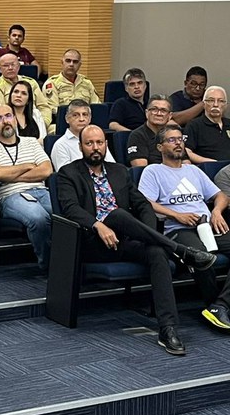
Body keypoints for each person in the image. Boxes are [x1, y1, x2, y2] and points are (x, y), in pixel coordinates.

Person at [58, 126, 216, 355]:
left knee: (156, 253)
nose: (95, 148)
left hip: (125, 239)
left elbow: (142, 204)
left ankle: (168, 328)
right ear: (81, 147)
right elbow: (70, 208)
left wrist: (148, 235)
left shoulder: (119, 171)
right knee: (118, 215)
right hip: (92, 241)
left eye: (99, 143)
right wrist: (98, 225)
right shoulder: (68, 173)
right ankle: (181, 250)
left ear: (106, 145)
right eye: (89, 143)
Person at [138, 123, 230, 333]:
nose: (178, 143)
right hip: (178, 229)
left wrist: (217, 211)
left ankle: (220, 305)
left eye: (180, 139)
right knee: (201, 256)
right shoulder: (153, 171)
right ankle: (213, 304)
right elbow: (145, 202)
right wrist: (176, 214)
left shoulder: (193, 170)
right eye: (172, 140)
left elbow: (220, 195)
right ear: (160, 147)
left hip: (208, 225)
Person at [0, 105, 53, 270]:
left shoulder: (31, 142)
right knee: (39, 218)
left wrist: (9, 175)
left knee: (65, 214)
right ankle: (49, 266)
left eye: (8, 116)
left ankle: (68, 261)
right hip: (10, 196)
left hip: (41, 191)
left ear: (15, 119)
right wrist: (27, 166)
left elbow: (46, 170)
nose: (5, 121)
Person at [0, 52, 51, 129]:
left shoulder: (31, 82)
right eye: (6, 65)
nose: (10, 68)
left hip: (36, 121)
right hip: (11, 125)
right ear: (0, 69)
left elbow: (43, 107)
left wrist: (42, 124)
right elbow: (1, 112)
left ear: (19, 67)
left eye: (13, 65)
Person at [51, 99, 114, 170]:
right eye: (75, 115)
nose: (81, 119)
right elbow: (65, 174)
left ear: (90, 118)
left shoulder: (98, 141)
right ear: (67, 119)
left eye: (85, 115)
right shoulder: (60, 145)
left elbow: (112, 168)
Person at [42, 49, 100, 116]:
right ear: (62, 62)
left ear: (80, 65)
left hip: (86, 119)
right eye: (68, 61)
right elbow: (53, 109)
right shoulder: (52, 83)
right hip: (63, 119)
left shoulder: (87, 83)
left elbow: (97, 106)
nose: (71, 64)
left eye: (75, 62)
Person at [184, 86, 230, 163]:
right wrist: (213, 163)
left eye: (221, 101)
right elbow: (186, 151)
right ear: (204, 104)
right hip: (208, 167)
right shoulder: (194, 125)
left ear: (226, 105)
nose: (216, 104)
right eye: (211, 100)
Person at [126, 96, 174, 167]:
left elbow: (185, 162)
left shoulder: (174, 134)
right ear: (146, 113)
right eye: (154, 109)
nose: (159, 114)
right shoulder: (137, 135)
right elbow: (140, 168)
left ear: (170, 116)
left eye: (163, 110)